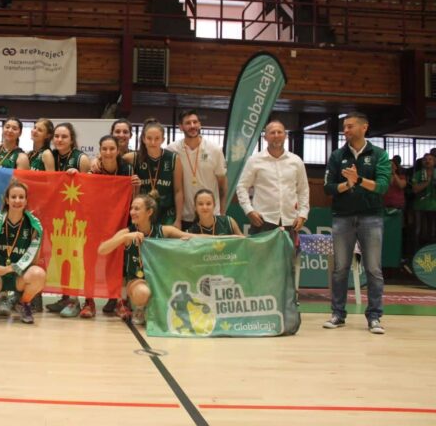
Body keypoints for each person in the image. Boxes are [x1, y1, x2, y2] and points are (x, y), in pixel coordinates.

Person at [323, 112, 390, 334]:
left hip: (371, 217)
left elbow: (381, 186)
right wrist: (347, 185)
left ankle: (374, 317)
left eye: (350, 126)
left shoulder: (379, 154)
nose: (346, 130)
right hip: (342, 217)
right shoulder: (337, 155)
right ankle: (338, 314)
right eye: (344, 127)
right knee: (340, 268)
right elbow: (328, 187)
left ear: (364, 127)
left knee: (373, 269)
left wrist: (359, 180)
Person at [98, 195, 192, 325]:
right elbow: (102, 249)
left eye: (137, 209)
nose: (132, 212)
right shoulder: (127, 232)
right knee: (143, 293)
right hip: (137, 281)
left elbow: (193, 237)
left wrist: (229, 238)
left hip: (159, 281)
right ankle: (140, 309)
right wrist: (125, 237)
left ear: (149, 212)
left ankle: (155, 308)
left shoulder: (164, 231)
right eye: (132, 208)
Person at [235, 120, 309, 287]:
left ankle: (286, 302)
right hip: (263, 221)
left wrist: (303, 214)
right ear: (266, 136)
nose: (276, 135)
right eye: (272, 132)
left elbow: (303, 190)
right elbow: (242, 187)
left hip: (290, 222)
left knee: (287, 266)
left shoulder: (296, 161)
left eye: (279, 132)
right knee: (258, 264)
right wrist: (249, 211)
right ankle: (258, 300)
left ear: (285, 135)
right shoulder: (255, 160)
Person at [82, 135, 140, 318]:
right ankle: (88, 302)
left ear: (118, 150)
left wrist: (135, 186)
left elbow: (133, 197)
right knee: (90, 262)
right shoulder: (94, 171)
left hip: (118, 221)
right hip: (95, 222)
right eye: (104, 149)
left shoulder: (127, 169)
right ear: (99, 151)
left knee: (116, 262)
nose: (108, 153)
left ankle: (119, 300)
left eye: (111, 149)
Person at [0, 180, 46, 324]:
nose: (17, 201)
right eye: (13, 197)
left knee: (38, 274)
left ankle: (23, 303)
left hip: (19, 275)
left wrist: (8, 269)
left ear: (26, 201)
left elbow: (34, 261)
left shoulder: (34, 226)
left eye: (21, 197)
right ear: (7, 200)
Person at [46, 123, 91, 317]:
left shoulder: (81, 158)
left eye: (64, 136)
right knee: (58, 257)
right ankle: (65, 297)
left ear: (71, 139)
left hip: (76, 217)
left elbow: (89, 188)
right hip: (55, 214)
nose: (59, 140)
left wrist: (79, 177)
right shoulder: (50, 156)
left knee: (75, 259)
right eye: (56, 136)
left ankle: (75, 300)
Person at [166, 110, 227, 230]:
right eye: (188, 123)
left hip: (211, 214)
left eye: (195, 122)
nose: (192, 126)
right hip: (185, 216)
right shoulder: (172, 149)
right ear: (181, 127)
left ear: (200, 124)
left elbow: (222, 184)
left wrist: (223, 213)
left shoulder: (215, 150)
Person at [412, 152, 436, 248]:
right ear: (422, 162)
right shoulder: (417, 174)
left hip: (434, 206)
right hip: (420, 205)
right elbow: (415, 189)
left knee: (433, 230)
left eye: (430, 159)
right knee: (419, 230)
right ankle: (417, 250)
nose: (427, 161)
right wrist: (427, 182)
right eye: (425, 159)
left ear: (434, 162)